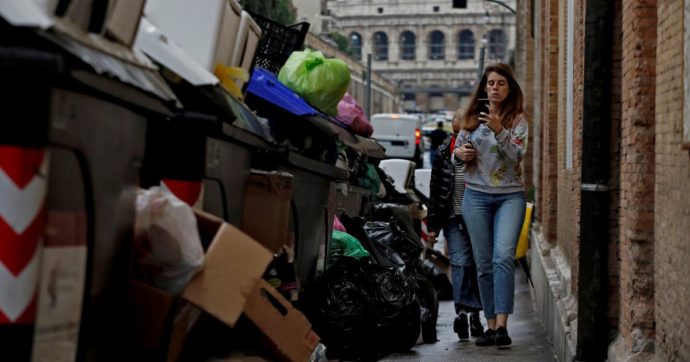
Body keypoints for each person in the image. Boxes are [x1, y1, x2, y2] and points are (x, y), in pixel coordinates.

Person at [453, 63, 528, 347]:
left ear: (510, 89)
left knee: (503, 257)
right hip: (476, 197)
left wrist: (499, 131)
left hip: (510, 197)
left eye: (501, 83)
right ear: (484, 87)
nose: (495, 88)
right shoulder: (471, 116)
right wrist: (461, 153)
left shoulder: (517, 120)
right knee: (483, 264)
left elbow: (516, 156)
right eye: (491, 83)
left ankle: (504, 326)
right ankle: (491, 324)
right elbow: (456, 155)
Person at [426, 109, 483, 341]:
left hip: (478, 217)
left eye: (465, 133)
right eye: (456, 133)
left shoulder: (481, 150)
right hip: (452, 218)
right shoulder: (442, 152)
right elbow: (436, 188)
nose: (460, 139)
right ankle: (463, 312)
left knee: (478, 264)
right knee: (460, 262)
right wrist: (432, 225)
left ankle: (475, 315)